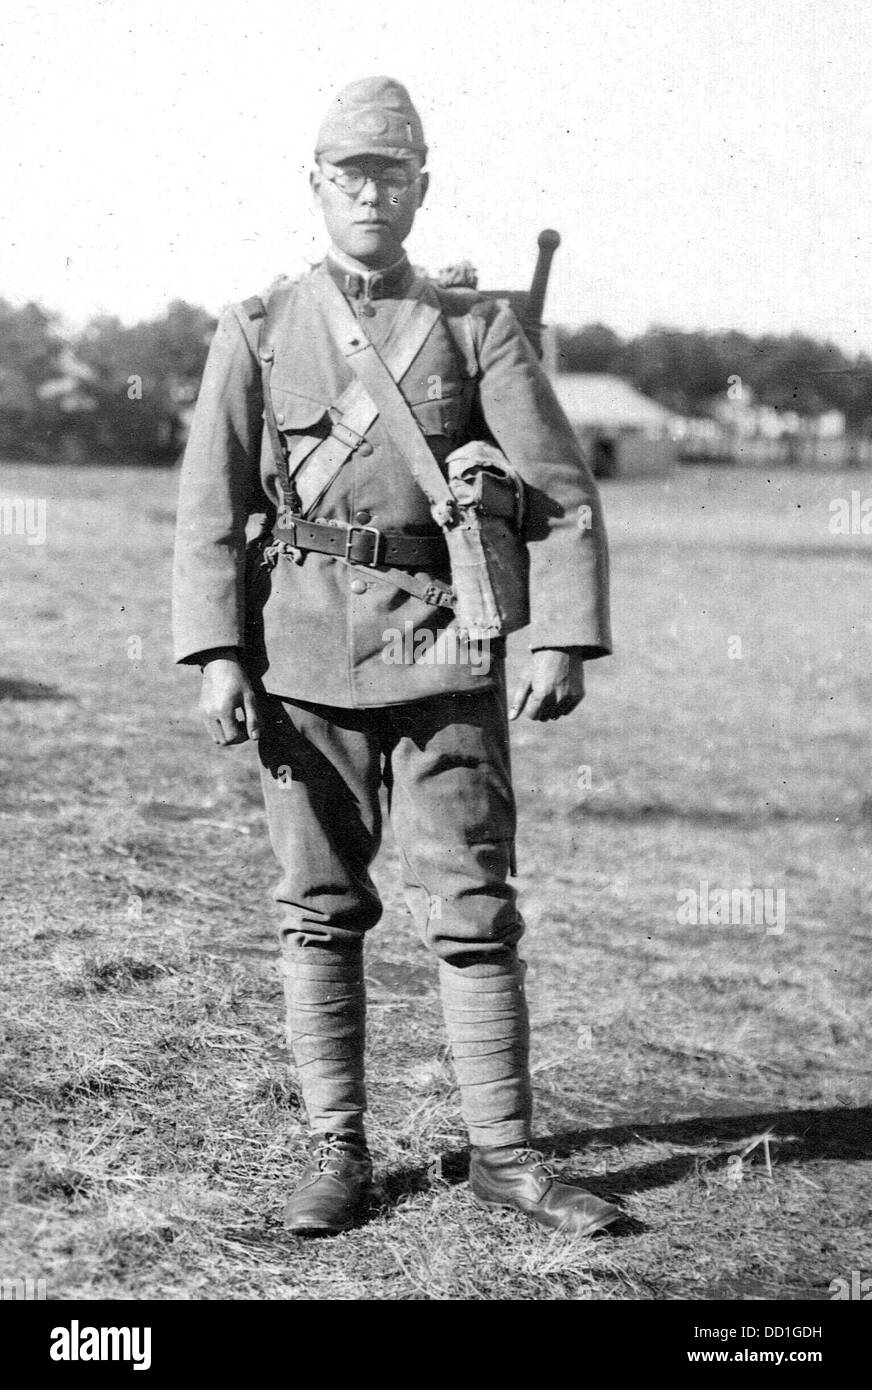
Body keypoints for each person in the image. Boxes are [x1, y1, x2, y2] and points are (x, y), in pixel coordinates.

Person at [172, 76, 618, 1238]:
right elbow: (209, 506)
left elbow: (561, 498)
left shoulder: (477, 330)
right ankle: (337, 1154)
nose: (370, 192)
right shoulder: (261, 327)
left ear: (421, 185)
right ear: (315, 187)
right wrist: (216, 651)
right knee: (317, 909)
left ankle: (505, 1157)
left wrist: (562, 635)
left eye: (391, 172)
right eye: (348, 173)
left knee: (473, 907)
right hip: (300, 655)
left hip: (447, 648)